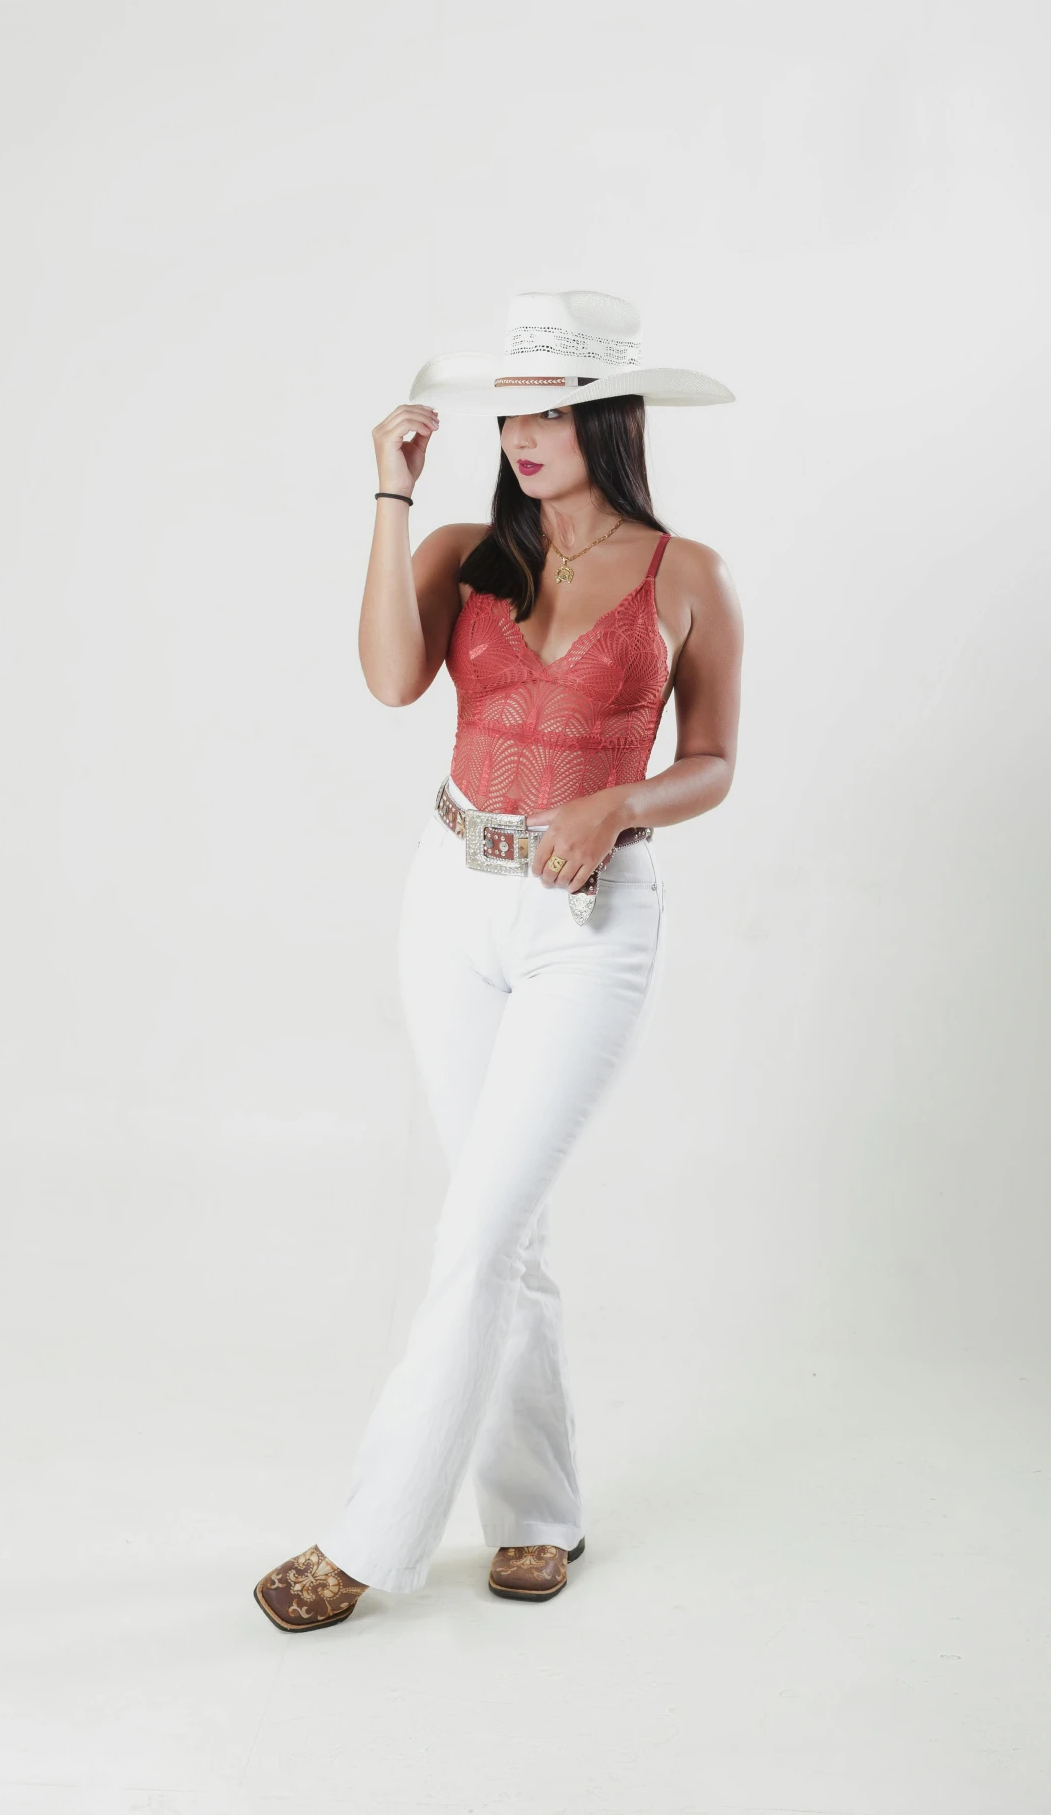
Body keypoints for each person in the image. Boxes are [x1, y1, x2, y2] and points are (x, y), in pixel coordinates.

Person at [253, 289, 743, 1630]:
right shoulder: (470, 548)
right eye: (509, 410)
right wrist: (388, 496)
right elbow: (386, 676)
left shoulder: (685, 574)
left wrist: (620, 802)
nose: (521, 432)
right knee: (500, 1232)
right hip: (449, 901)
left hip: (589, 922)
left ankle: (363, 1538)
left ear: (609, 415)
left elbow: (712, 760)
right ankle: (537, 1517)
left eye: (548, 408)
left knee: (470, 1237)